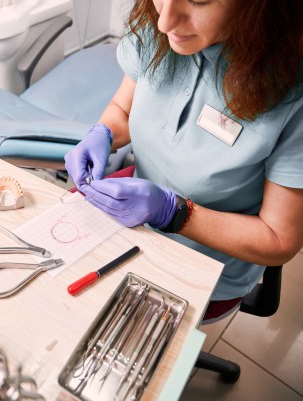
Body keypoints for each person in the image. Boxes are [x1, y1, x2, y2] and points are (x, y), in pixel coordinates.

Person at [65, 0, 303, 323]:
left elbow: (279, 239)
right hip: (132, 227)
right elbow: (122, 109)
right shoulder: (157, 23)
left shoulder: (293, 90)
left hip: (206, 271)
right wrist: (103, 132)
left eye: (198, 0)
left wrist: (175, 213)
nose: (165, 22)